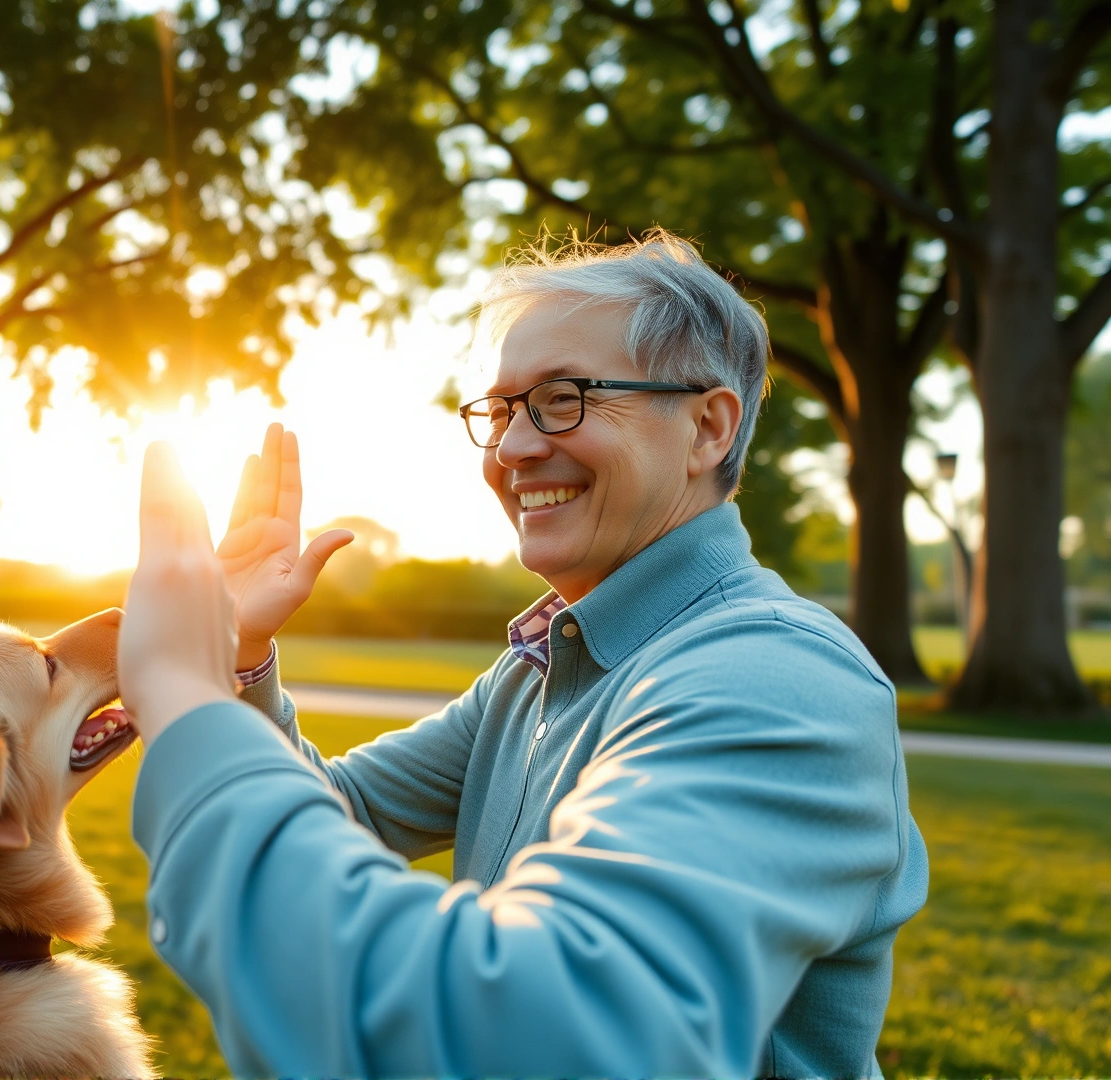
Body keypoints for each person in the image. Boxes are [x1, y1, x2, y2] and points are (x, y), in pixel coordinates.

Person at [116, 232, 928, 1078]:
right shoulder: (539, 668)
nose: (511, 450)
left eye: (564, 399)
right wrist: (239, 658)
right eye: (501, 410)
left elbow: (542, 1041)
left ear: (707, 428)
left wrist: (185, 695)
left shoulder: (778, 680)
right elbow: (337, 813)